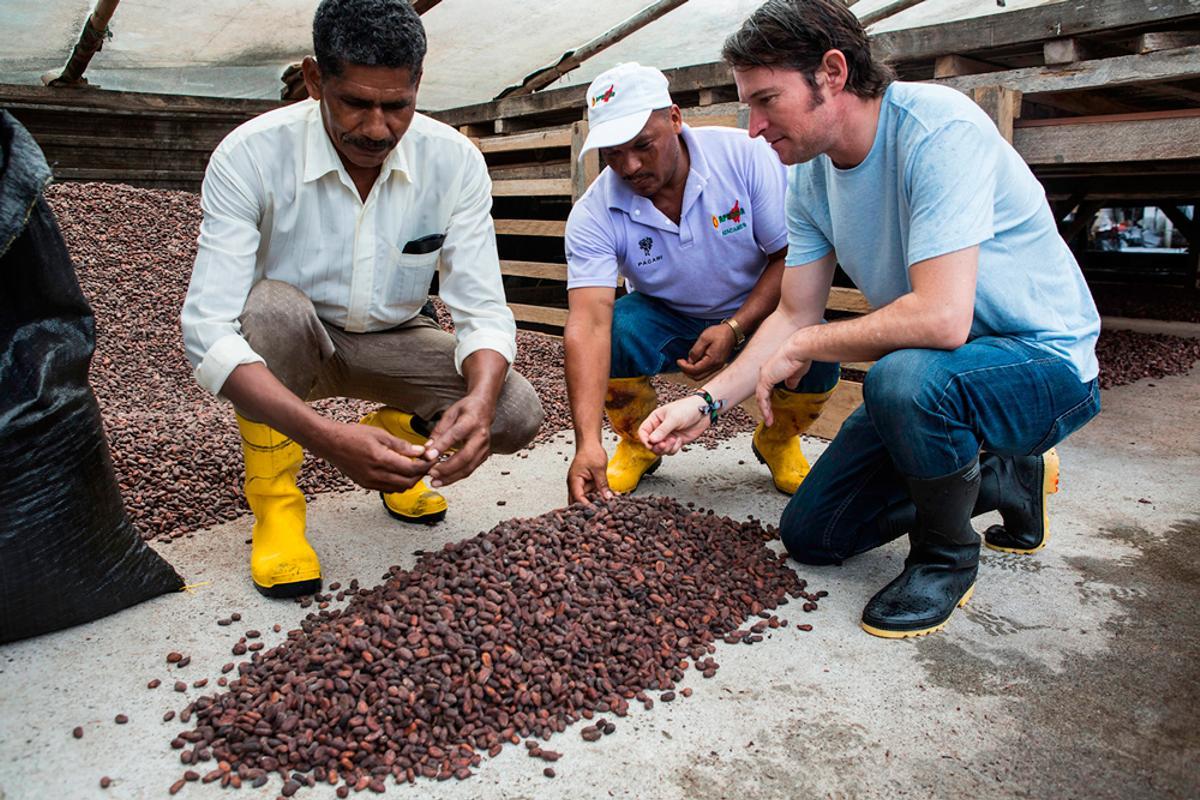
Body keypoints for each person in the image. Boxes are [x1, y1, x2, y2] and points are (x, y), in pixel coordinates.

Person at [640, 0, 1101, 639]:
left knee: (904, 378)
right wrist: (706, 405)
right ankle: (1000, 473)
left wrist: (810, 340)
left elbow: (942, 319)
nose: (753, 128)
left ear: (832, 72)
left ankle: (946, 558)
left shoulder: (937, 129)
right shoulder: (809, 177)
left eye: (766, 100)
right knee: (814, 534)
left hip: (1043, 364)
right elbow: (793, 312)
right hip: (948, 377)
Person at [180, 0, 543, 598]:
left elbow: (481, 310)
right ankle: (277, 506)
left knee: (513, 410)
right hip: (292, 344)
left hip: (397, 335)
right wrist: (328, 440)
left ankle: (396, 442)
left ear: (418, 85)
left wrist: (476, 402)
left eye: (397, 106)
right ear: (317, 79)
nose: (377, 129)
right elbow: (207, 330)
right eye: (357, 103)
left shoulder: (453, 161)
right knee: (270, 312)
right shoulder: (250, 154)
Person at [564, 62, 839, 505]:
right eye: (613, 154)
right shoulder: (595, 212)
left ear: (674, 118)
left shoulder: (744, 157)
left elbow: (787, 256)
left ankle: (778, 439)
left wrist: (736, 326)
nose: (629, 166)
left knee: (816, 344)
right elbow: (587, 324)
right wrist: (586, 443)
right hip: (667, 317)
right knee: (615, 331)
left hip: (761, 312)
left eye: (642, 146)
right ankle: (636, 440)